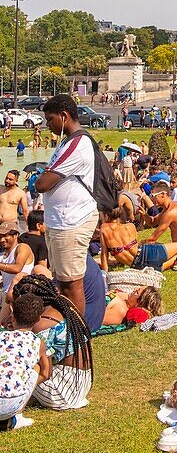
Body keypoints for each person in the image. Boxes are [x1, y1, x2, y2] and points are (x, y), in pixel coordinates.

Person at [34, 95, 98, 317]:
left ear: (64, 116)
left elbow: (42, 184)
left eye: (50, 119)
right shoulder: (67, 143)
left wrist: (40, 178)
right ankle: (67, 330)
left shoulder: (78, 144)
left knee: (71, 283)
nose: (48, 124)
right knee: (62, 282)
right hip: (61, 221)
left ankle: (76, 337)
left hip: (70, 221)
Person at [13, 273, 93, 411]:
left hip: (61, 392)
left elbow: (46, 370)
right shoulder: (61, 308)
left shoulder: (42, 324)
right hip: (79, 384)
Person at [99, 206, 177, 273]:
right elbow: (136, 248)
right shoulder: (130, 227)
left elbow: (104, 255)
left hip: (138, 267)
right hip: (147, 255)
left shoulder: (104, 229)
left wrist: (105, 274)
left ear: (106, 215)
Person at [0, 293, 52, 430]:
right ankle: (17, 416)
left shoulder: (2, 336)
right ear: (39, 318)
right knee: (37, 367)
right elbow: (46, 373)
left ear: (12, 314)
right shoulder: (38, 342)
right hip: (11, 405)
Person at [0, 224, 35, 298]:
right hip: (5, 294)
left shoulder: (22, 247)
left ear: (16, 235)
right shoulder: (2, 255)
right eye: (0, 237)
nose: (2, 240)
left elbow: (17, 268)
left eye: (5, 236)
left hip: (21, 294)